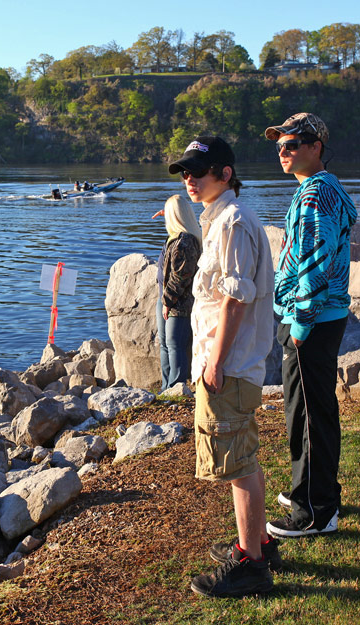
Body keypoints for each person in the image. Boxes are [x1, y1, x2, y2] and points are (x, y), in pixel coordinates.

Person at [169, 136, 278, 597]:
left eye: (199, 170)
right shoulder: (222, 219)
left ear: (225, 174)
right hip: (230, 363)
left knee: (237, 463)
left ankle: (251, 563)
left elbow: (235, 298)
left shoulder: (232, 221)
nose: (189, 179)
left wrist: (213, 364)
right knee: (240, 456)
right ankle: (257, 544)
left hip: (229, 366)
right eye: (185, 172)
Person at [263, 113, 357, 538]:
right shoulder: (323, 187)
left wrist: (299, 321)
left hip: (312, 320)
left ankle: (315, 511)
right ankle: (315, 491)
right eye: (279, 145)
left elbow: (316, 264)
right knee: (312, 409)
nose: (283, 152)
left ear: (316, 146)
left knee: (308, 415)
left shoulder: (316, 194)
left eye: (293, 144)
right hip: (324, 316)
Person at [152, 194, 201, 391]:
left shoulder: (185, 241)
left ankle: (177, 386)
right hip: (165, 297)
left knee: (175, 343)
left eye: (168, 214)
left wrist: (167, 301)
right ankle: (166, 387)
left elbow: (182, 275)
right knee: (164, 343)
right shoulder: (175, 236)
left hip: (178, 302)